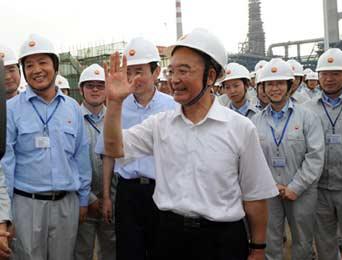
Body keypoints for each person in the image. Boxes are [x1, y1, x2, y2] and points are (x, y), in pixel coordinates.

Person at [103, 28, 278, 260]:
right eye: (171, 71)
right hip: (169, 237)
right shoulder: (160, 124)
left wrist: (258, 248)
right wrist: (114, 103)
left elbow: (255, 196)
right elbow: (115, 149)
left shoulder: (239, 128)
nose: (174, 79)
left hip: (222, 241)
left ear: (211, 75)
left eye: (184, 71)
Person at [1, 34, 91, 260]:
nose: (36, 70)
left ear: (56, 66)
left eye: (43, 62)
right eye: (29, 65)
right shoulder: (10, 110)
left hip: (66, 206)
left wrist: (82, 200)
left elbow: (81, 157)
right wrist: (5, 215)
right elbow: (5, 164)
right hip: (26, 206)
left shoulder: (72, 108)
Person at [96, 37, 176, 260]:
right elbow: (108, 154)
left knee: (162, 250)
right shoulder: (116, 107)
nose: (133, 78)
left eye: (139, 71)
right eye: (128, 72)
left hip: (163, 190)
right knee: (129, 251)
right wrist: (107, 197)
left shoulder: (172, 107)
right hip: (128, 192)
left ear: (156, 71)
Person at [251, 58, 325, 260]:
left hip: (301, 193)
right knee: (271, 242)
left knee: (302, 243)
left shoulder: (307, 117)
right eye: (269, 84)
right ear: (262, 88)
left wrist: (295, 187)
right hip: (269, 192)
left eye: (280, 83)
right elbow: (252, 159)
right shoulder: (254, 122)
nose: (274, 88)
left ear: (289, 86)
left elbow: (315, 156)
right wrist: (270, 185)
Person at [304, 48, 342, 260]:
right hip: (319, 189)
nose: (329, 79)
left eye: (336, 73)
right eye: (324, 74)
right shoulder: (306, 109)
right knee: (324, 243)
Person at [73, 64, 116, 260]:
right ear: (81, 89)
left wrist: (109, 198)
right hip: (82, 200)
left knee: (111, 250)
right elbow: (69, 161)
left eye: (100, 85)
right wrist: (89, 199)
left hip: (112, 200)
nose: (96, 90)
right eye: (90, 85)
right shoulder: (71, 118)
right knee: (82, 252)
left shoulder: (116, 118)